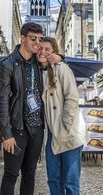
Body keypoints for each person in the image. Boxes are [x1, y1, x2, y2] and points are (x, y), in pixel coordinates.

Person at [0, 22, 61, 195]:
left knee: (30, 174)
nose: (38, 43)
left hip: (37, 128)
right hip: (17, 129)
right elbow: (1, 102)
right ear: (23, 38)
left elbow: (57, 60)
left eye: (39, 39)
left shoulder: (39, 62)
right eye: (34, 38)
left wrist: (61, 57)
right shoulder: (7, 65)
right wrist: (6, 134)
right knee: (11, 174)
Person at [37, 37, 87, 194]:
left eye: (47, 49)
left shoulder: (62, 69)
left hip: (69, 132)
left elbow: (72, 97)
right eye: (40, 48)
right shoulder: (38, 72)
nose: (43, 52)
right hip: (52, 134)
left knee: (70, 182)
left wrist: (65, 124)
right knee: (53, 179)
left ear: (54, 53)